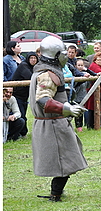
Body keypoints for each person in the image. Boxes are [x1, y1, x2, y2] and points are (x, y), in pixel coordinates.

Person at [29, 36, 88, 202]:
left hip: (54, 122)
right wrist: (66, 108)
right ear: (55, 55)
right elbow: (43, 100)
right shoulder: (47, 74)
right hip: (53, 124)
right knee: (66, 160)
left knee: (67, 159)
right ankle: (55, 193)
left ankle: (56, 191)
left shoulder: (44, 70)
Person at [11, 52, 39, 137]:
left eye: (35, 58)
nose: (33, 60)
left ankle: (23, 132)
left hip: (24, 96)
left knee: (23, 114)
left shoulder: (33, 67)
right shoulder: (24, 65)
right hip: (17, 94)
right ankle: (21, 133)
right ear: (28, 59)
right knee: (21, 114)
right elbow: (30, 77)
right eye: (31, 58)